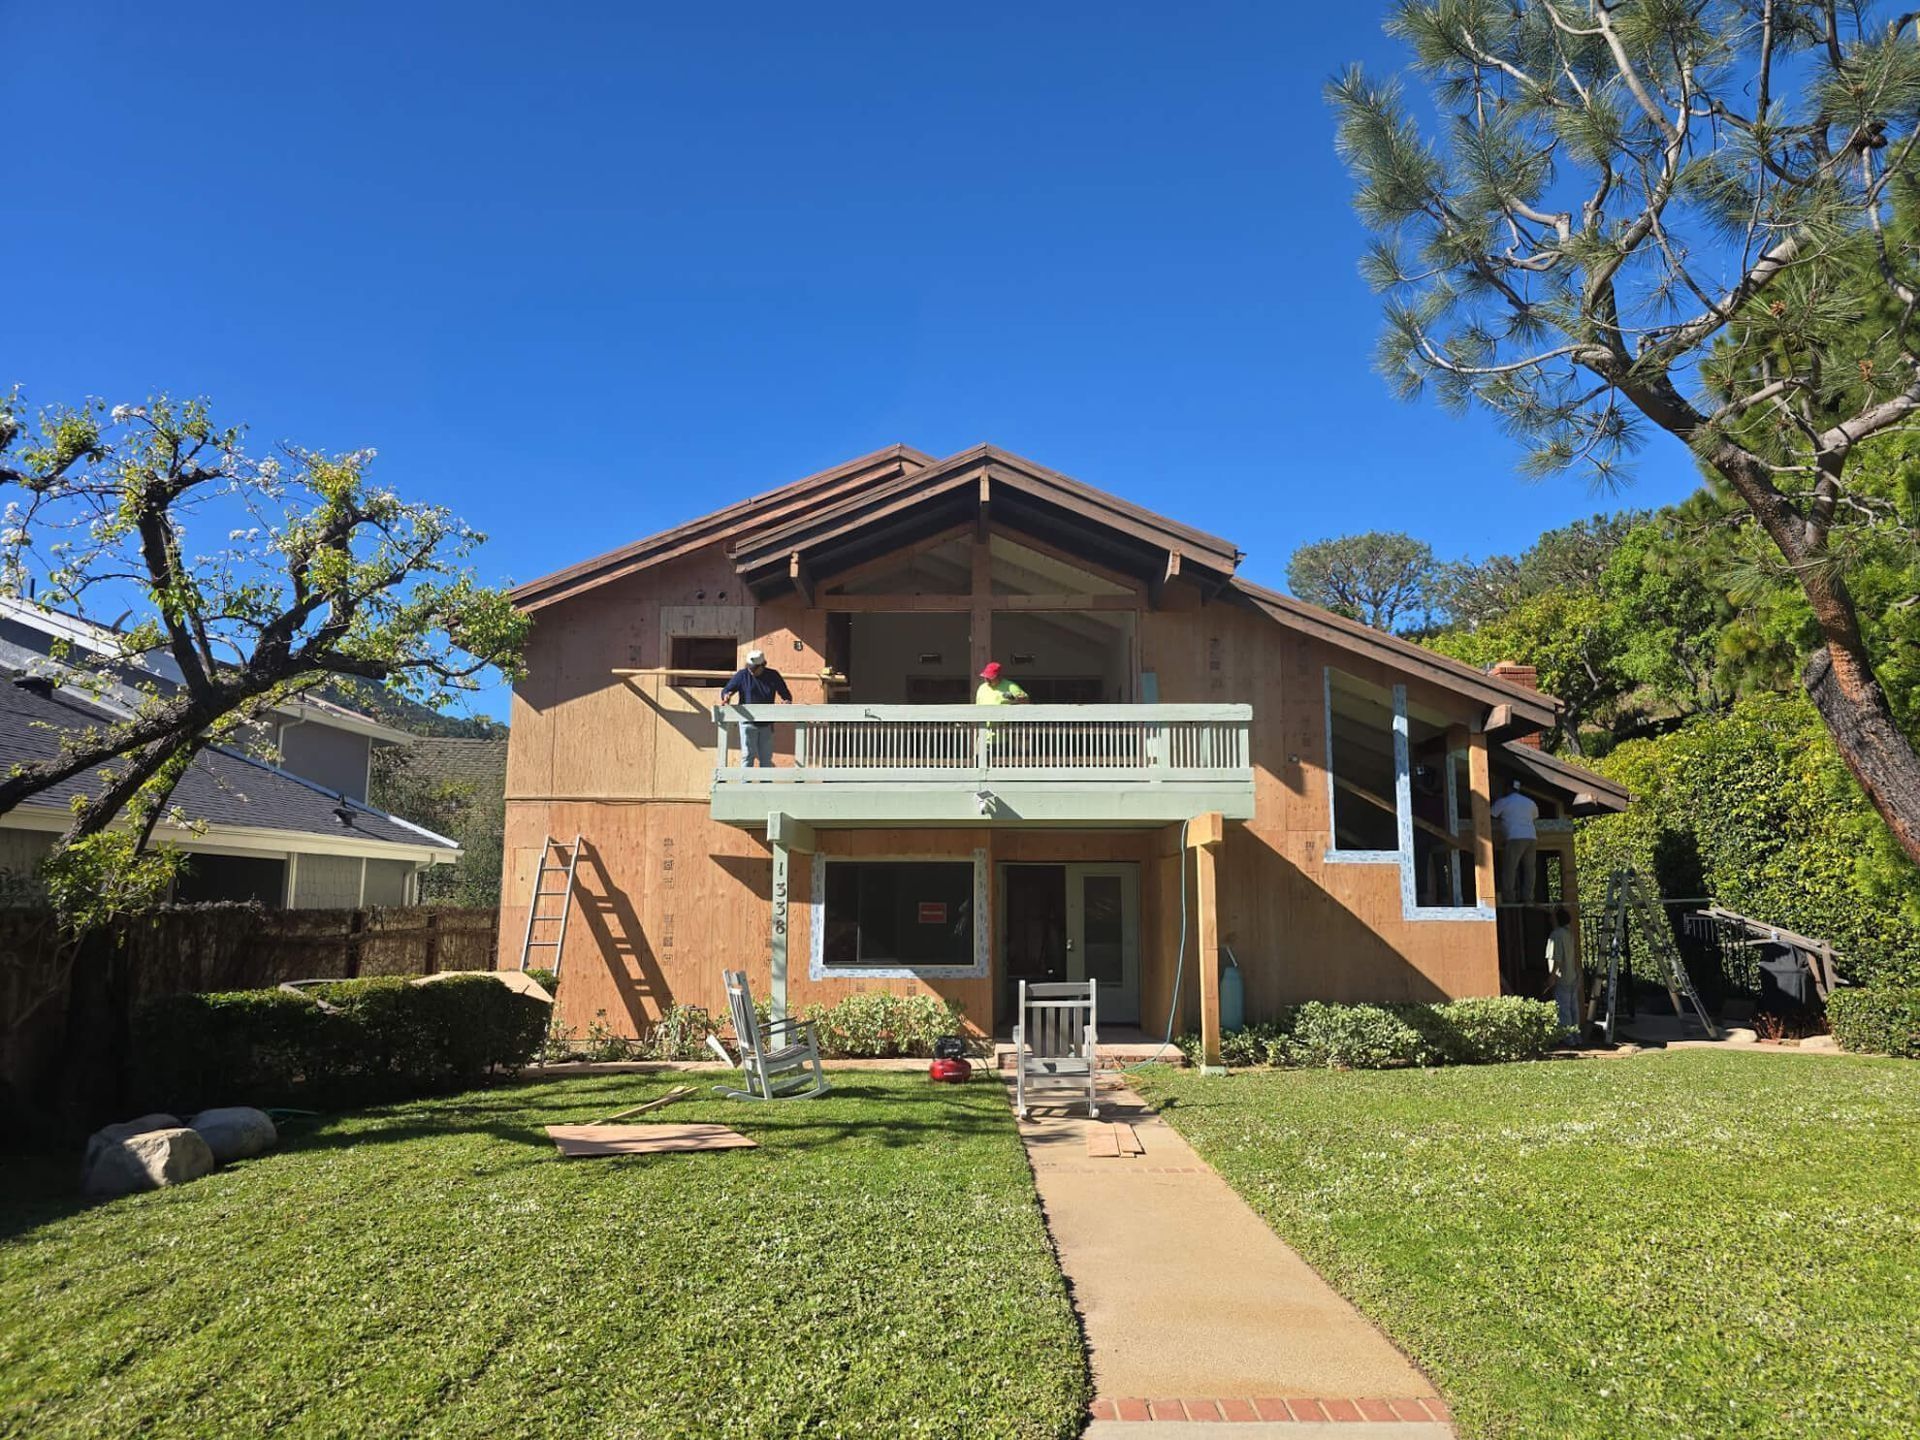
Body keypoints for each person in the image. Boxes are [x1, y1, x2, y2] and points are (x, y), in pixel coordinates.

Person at [719, 648, 792, 772]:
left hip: (766, 723)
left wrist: (786, 702)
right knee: (747, 756)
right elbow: (727, 690)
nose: (751, 671)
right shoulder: (742, 675)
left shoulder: (773, 675)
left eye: (754, 668)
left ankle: (765, 786)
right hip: (747, 722)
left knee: (766, 758)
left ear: (763, 665)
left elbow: (786, 695)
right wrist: (727, 696)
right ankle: (745, 786)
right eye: (749, 667)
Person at [1489, 779, 1539, 901]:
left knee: (1510, 868)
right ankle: (1528, 897)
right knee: (1529, 869)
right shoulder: (1529, 802)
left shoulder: (1504, 802)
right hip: (1531, 837)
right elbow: (1535, 816)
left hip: (1515, 837)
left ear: (1507, 788)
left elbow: (1491, 814)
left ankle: (1509, 897)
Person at [1545, 906, 1580, 1036]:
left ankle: (1568, 1038)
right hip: (1572, 976)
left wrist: (1552, 977)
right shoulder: (1569, 933)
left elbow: (1557, 959)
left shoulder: (1556, 935)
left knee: (1563, 1010)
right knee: (1573, 1009)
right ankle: (1576, 1036)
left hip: (1562, 978)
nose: (1550, 919)